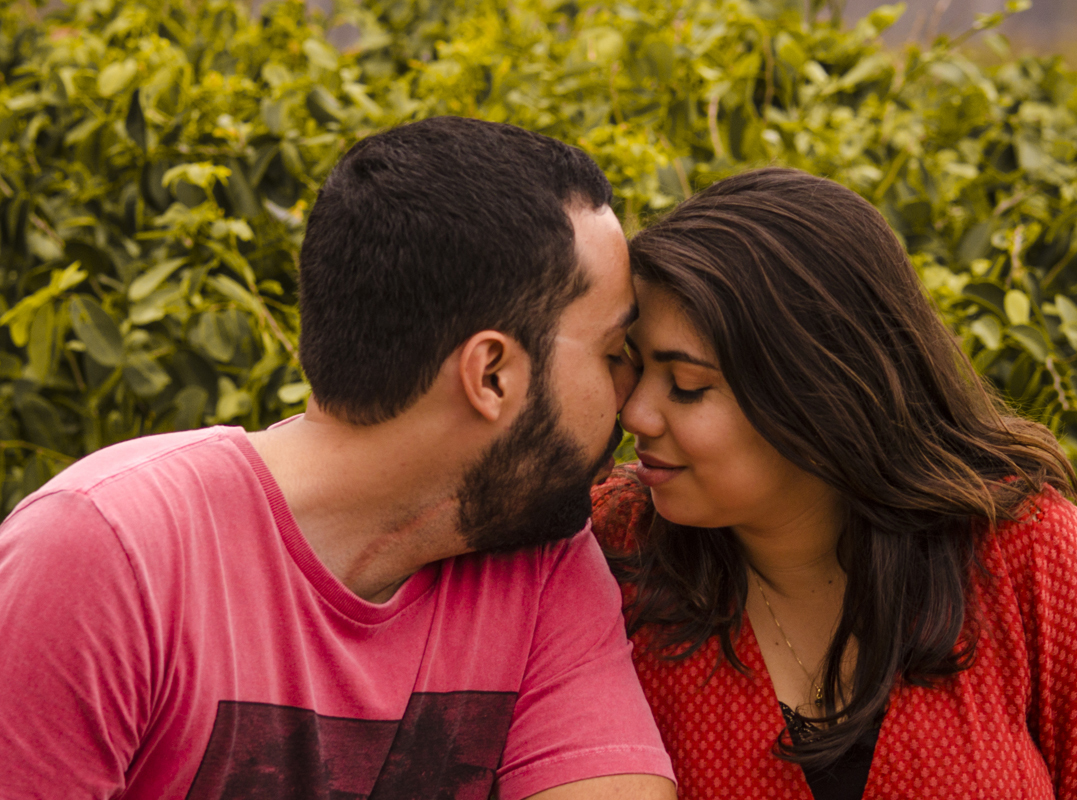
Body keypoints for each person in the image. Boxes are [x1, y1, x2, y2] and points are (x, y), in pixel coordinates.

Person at [0, 117, 676, 800]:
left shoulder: (541, 562)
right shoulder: (106, 553)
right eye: (614, 353)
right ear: (492, 374)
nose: (631, 397)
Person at [591, 166, 1077, 800]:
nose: (635, 413)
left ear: (816, 392)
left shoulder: (1025, 553)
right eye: (634, 363)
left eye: (688, 386)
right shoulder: (611, 550)